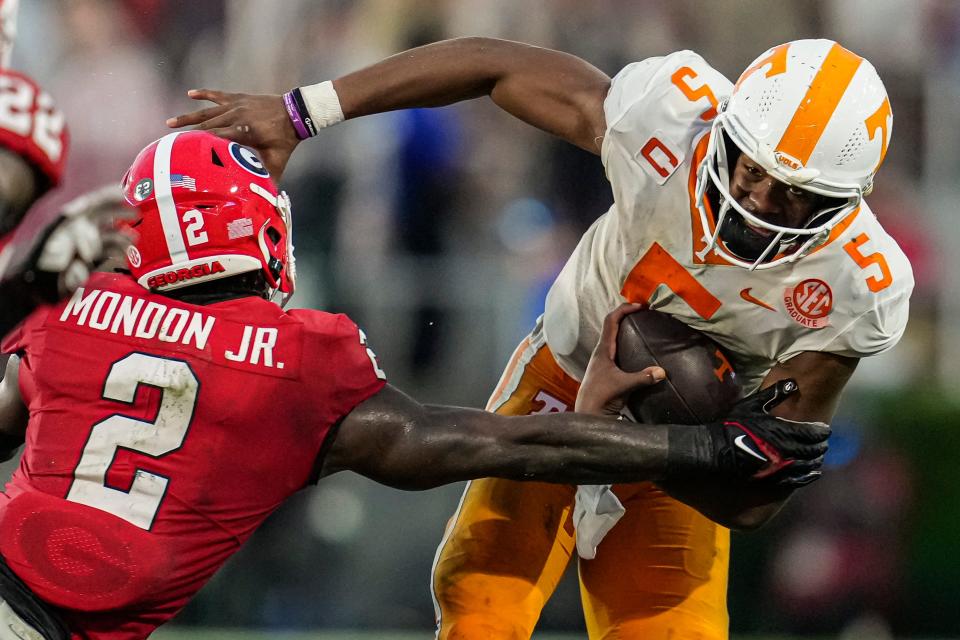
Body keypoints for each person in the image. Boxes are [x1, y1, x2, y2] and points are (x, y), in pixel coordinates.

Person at [167, 37, 913, 639]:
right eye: (751, 167)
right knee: (480, 610)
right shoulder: (667, 119)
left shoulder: (859, 283)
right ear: (725, 131)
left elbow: (754, 502)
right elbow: (495, 64)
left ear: (843, 203)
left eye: (793, 193)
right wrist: (303, 112)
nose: (757, 199)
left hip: (688, 445)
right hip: (562, 379)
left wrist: (678, 445)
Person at [0, 130, 827, 640]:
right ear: (257, 225)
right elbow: (500, 442)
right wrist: (701, 446)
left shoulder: (68, 313)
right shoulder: (297, 360)